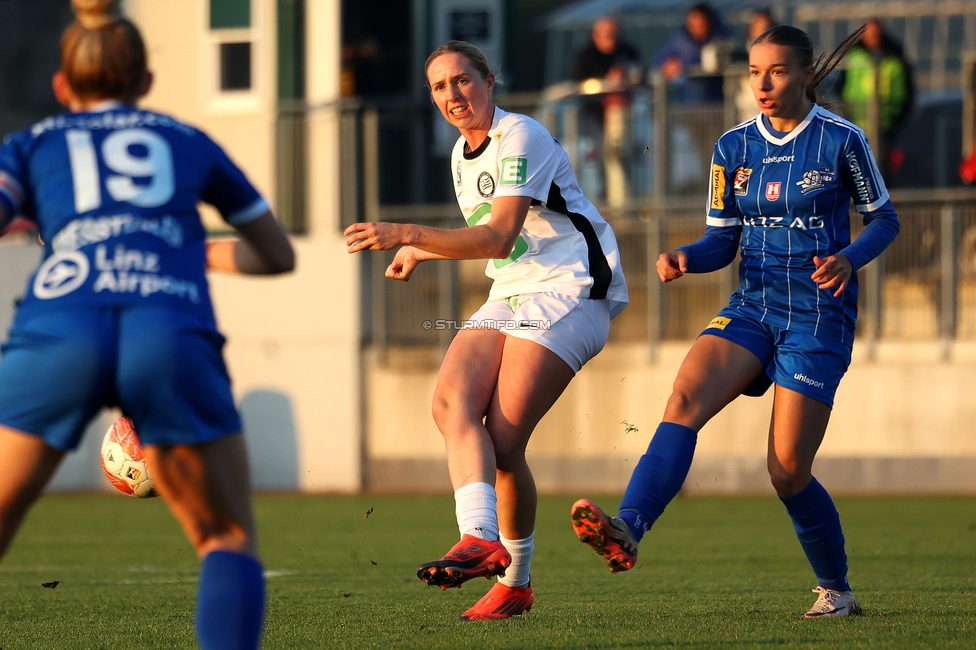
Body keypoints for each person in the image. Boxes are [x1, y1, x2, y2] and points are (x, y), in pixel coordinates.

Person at [571, 24, 899, 619]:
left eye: (775, 72)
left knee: (787, 471)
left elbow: (884, 220)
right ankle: (629, 528)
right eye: (754, 72)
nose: (763, 84)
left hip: (817, 317)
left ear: (804, 74)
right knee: (684, 399)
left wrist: (850, 259)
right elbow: (722, 241)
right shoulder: (732, 148)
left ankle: (837, 590)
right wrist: (684, 258)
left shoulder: (842, 141)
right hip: (754, 306)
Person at [0, 1, 295, 648]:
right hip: (167, 323)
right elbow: (278, 254)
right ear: (145, 83)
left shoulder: (33, 143)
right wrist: (191, 252)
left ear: (61, 85)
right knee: (226, 535)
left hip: (60, 325)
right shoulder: (187, 140)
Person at [345, 40, 629, 621]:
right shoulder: (460, 155)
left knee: (501, 443)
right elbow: (500, 242)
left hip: (572, 287)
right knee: (450, 403)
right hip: (515, 288)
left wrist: (407, 233)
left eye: (462, 81)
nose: (453, 95)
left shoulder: (520, 136)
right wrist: (422, 253)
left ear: (490, 81)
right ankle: (480, 540)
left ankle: (514, 578)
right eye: (439, 87)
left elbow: (498, 236)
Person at [572, 16, 642, 206]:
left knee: (623, 155)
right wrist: (608, 81)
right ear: (595, 36)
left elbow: (639, 74)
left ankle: (625, 200)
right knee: (606, 154)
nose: (612, 39)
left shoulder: (627, 51)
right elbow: (581, 85)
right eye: (607, 35)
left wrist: (626, 78)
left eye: (614, 34)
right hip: (595, 114)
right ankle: (606, 200)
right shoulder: (585, 56)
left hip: (623, 114)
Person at [839, 18, 913, 179]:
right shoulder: (853, 55)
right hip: (858, 119)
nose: (873, 38)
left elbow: (907, 88)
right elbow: (842, 86)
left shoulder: (895, 56)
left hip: (887, 120)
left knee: (884, 165)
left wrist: (899, 116)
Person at [654, 2, 730, 105]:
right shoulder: (679, 42)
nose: (700, 27)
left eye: (703, 23)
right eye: (695, 22)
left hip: (720, 104)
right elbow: (658, 62)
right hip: (691, 105)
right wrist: (667, 65)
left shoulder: (722, 40)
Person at [734, 10, 777, 122]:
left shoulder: (781, 54)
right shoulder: (741, 55)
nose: (763, 32)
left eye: (767, 27)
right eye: (759, 27)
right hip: (749, 110)